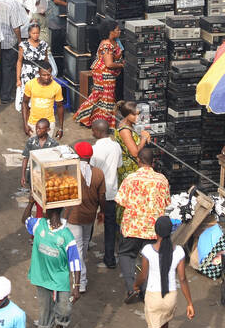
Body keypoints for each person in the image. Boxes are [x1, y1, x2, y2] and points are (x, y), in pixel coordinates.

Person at [134, 216, 195, 328]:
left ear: (156, 232)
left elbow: (143, 276)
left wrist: (136, 285)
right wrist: (190, 303)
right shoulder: (179, 252)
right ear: (171, 231)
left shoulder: (148, 250)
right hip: (171, 296)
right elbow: (182, 279)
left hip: (153, 297)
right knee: (165, 324)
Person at [116, 145, 171, 305]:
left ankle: (132, 288)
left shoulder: (130, 178)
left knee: (126, 255)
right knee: (149, 259)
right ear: (153, 162)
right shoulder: (162, 180)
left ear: (138, 160)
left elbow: (121, 201)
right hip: (154, 229)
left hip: (133, 226)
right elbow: (167, 202)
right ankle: (146, 290)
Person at [24, 206, 81, 328]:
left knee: (64, 309)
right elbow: (24, 220)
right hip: (41, 278)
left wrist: (76, 286)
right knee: (45, 311)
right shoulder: (39, 225)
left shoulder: (66, 235)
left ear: (52, 212)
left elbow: (75, 261)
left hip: (59, 279)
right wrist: (30, 202)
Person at [64, 141, 107, 294]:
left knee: (78, 250)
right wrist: (101, 212)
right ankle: (80, 279)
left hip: (73, 217)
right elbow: (102, 196)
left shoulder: (71, 171)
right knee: (82, 246)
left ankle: (79, 282)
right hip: (89, 216)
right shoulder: (98, 173)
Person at [74, 20, 124, 129]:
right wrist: (121, 65)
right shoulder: (107, 45)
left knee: (100, 96)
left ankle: (91, 119)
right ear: (111, 32)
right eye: (117, 30)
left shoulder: (115, 42)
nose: (119, 31)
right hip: (104, 74)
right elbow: (109, 63)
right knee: (106, 97)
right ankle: (104, 124)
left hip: (106, 73)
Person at [89, 118, 122, 270]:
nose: (92, 132)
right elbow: (119, 165)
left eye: (93, 129)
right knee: (110, 225)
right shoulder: (116, 146)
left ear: (99, 131)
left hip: (95, 190)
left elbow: (90, 168)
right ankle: (110, 258)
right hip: (111, 191)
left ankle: (86, 242)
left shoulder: (95, 150)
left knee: (89, 218)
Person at [22, 61, 64, 139]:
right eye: (43, 75)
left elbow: (60, 107)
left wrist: (61, 128)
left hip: (49, 124)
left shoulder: (57, 87)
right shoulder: (30, 84)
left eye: (49, 75)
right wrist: (25, 124)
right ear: (39, 73)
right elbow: (24, 103)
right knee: (33, 149)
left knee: (47, 150)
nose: (46, 77)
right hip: (33, 123)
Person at [15, 20, 52, 111]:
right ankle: (26, 120)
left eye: (37, 33)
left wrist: (48, 76)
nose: (35, 35)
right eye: (33, 33)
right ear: (29, 33)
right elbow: (19, 62)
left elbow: (46, 61)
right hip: (26, 75)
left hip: (39, 75)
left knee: (38, 96)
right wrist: (18, 79)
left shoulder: (44, 45)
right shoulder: (23, 45)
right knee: (26, 97)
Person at [113, 101, 149, 187]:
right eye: (134, 115)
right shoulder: (125, 130)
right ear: (126, 115)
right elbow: (134, 152)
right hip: (129, 169)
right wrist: (144, 138)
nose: (137, 117)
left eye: (138, 114)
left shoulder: (127, 124)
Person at [20, 117, 53, 190]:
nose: (37, 131)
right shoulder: (31, 141)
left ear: (48, 130)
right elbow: (25, 158)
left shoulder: (53, 144)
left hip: (47, 177)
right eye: (37, 128)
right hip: (33, 176)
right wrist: (23, 175)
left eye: (40, 129)